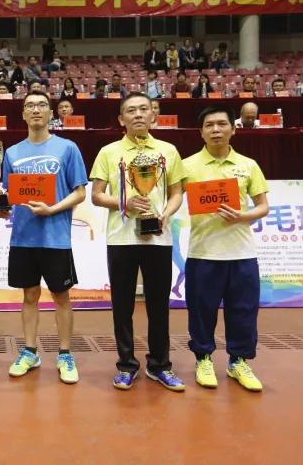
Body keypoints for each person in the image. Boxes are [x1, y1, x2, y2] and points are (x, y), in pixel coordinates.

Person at [90, 93, 186, 392]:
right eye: (131, 110)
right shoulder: (109, 152)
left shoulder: (168, 151)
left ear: (153, 115)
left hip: (158, 238)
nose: (138, 115)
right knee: (122, 306)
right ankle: (126, 365)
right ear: (121, 119)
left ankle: (160, 365)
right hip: (121, 239)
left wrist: (165, 214)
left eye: (144, 109)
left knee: (159, 305)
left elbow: (177, 193)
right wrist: (125, 204)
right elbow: (97, 195)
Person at [2, 91, 88, 384]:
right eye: (30, 106)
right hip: (23, 238)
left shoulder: (68, 148)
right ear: (23, 114)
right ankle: (30, 352)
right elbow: (7, 194)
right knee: (29, 296)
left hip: (55, 238)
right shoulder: (11, 153)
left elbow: (80, 192)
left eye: (41, 105)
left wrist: (52, 209)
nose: (36, 110)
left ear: (51, 113)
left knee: (61, 296)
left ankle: (65, 354)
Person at [183, 106, 269, 392]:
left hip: (242, 253)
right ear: (201, 132)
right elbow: (171, 197)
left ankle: (238, 361)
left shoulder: (249, 165)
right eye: (209, 125)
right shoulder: (187, 166)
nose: (216, 130)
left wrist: (243, 216)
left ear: (234, 129)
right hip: (203, 252)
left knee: (243, 310)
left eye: (222, 124)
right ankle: (203, 359)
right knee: (201, 310)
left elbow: (263, 206)